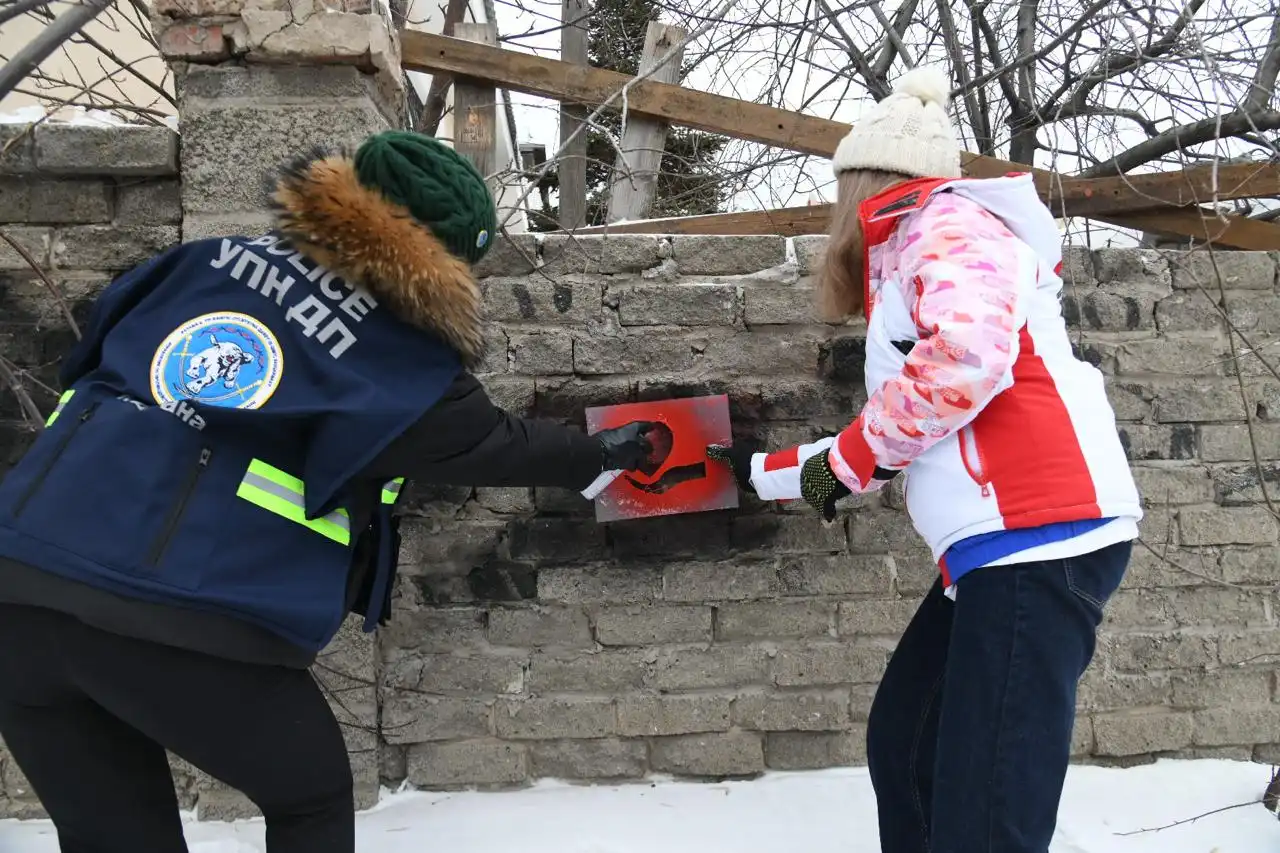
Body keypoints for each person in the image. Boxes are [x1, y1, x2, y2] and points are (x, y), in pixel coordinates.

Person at [0, 131, 657, 853]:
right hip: (176, 616)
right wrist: (598, 454)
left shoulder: (201, 261)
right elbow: (492, 442)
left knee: (114, 834)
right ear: (442, 259)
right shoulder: (398, 359)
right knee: (309, 798)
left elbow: (91, 353)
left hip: (17, 586)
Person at [708, 66, 1142, 853]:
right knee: (907, 747)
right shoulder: (915, 245)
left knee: (985, 817)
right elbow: (886, 433)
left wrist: (844, 465)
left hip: (1041, 537)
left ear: (863, 182)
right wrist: (757, 471)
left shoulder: (942, 224)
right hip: (999, 549)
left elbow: (966, 360)